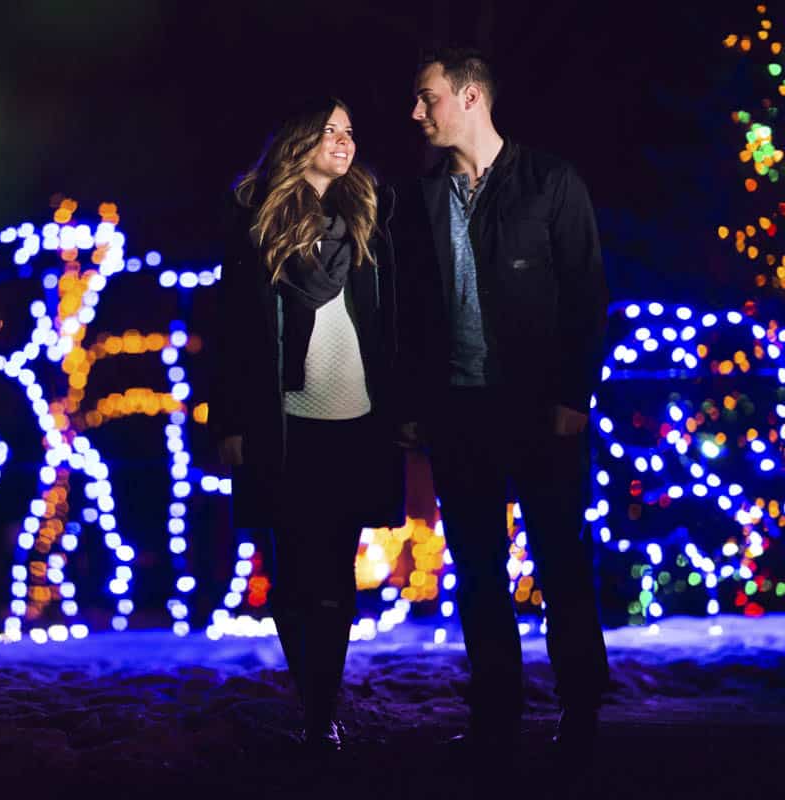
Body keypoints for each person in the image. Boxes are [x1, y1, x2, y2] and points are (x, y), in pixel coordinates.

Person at [393, 48, 611, 765]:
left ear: (471, 96)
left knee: (559, 560)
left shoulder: (550, 182)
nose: (417, 112)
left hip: (540, 407)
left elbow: (584, 293)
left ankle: (581, 710)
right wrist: (415, 401)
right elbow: (412, 312)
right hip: (459, 408)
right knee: (478, 567)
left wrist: (571, 396)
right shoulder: (420, 197)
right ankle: (496, 713)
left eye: (428, 98)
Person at [210, 97, 405, 753]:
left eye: (351, 130)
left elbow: (394, 324)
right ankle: (314, 701)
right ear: (298, 141)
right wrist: (228, 422)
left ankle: (323, 708)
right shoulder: (254, 227)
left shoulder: (365, 219)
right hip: (287, 423)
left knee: (335, 573)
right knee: (293, 575)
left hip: (356, 418)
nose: (345, 142)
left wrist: (401, 407)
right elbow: (230, 332)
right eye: (329, 130)